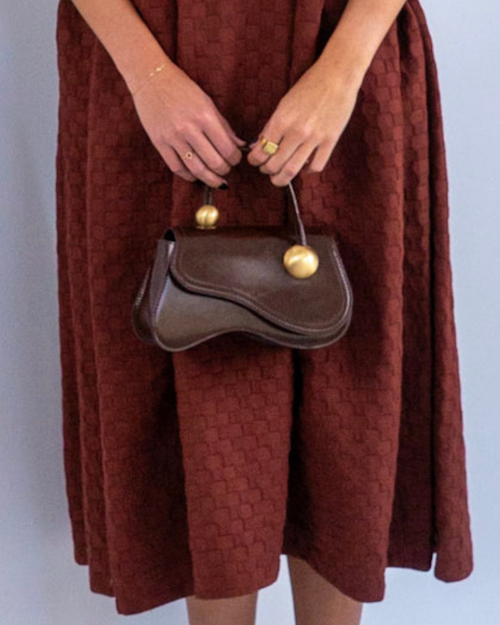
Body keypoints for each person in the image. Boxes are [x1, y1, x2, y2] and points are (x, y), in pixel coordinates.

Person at [54, 0, 473, 622]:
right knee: (194, 362)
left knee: (349, 394)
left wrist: (342, 68)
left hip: (342, 49)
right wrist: (148, 75)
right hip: (153, 62)